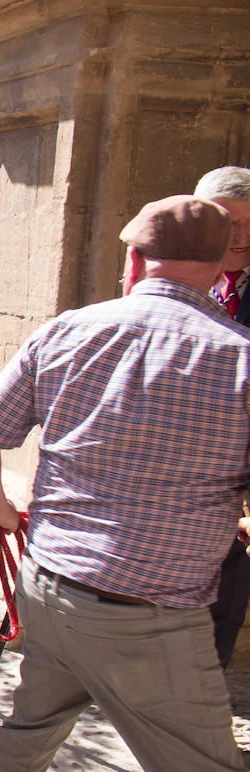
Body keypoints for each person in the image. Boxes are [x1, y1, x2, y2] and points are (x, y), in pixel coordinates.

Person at [0, 196, 250, 772]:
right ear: (224, 265)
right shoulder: (239, 359)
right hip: (152, 618)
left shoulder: (70, 330)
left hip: (53, 587)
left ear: (133, 259)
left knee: (28, 730)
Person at [193, 165, 250, 669]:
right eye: (231, 222)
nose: (243, 237)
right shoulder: (168, 274)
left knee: (222, 613)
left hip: (235, 493)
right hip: (172, 492)